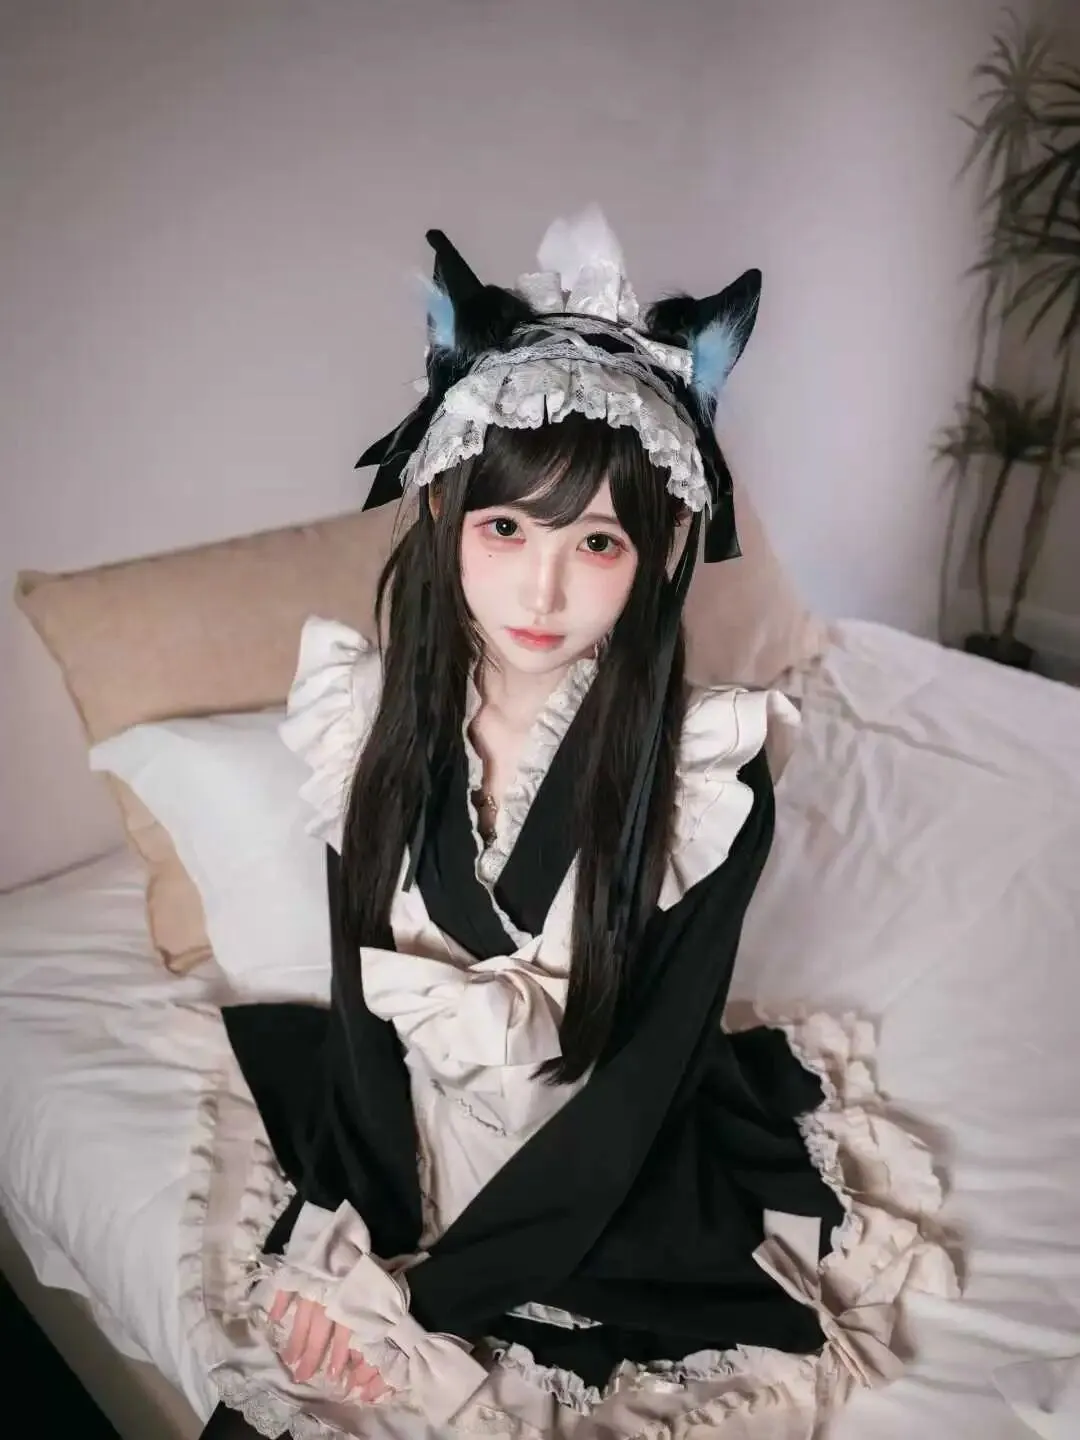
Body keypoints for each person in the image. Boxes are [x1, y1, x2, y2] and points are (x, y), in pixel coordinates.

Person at [194, 210, 953, 1439]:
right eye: (506, 528)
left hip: (601, 1174)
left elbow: (642, 1081)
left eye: (598, 539)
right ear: (442, 516)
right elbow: (361, 1010)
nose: (541, 589)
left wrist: (424, 1300)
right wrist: (358, 1233)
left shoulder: (709, 775)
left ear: (660, 554)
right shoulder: (366, 720)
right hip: (398, 1144)